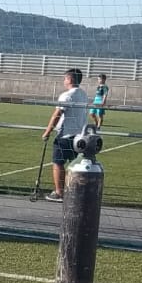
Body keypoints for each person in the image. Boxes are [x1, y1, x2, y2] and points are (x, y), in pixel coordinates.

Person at [40, 67, 88, 202]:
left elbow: (57, 114)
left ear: (70, 79)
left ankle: (59, 192)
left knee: (57, 163)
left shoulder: (66, 95)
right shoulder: (83, 94)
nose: (64, 80)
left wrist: (47, 131)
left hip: (65, 136)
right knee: (74, 165)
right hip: (79, 136)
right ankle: (74, 191)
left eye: (65, 78)